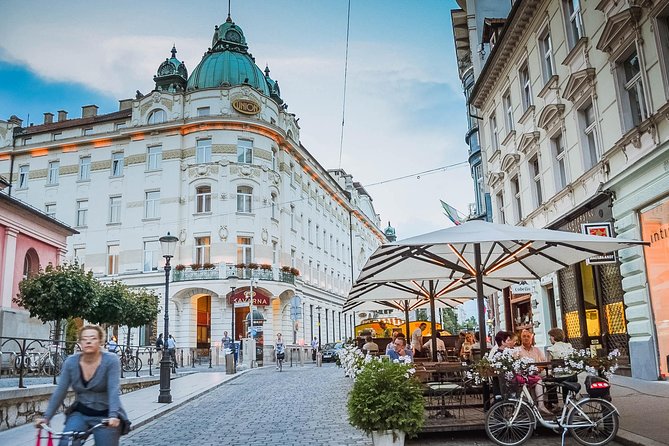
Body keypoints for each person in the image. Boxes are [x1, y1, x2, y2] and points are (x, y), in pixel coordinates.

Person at [36, 325, 124, 446]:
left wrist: (113, 416)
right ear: (80, 342)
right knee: (65, 442)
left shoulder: (111, 360)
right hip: (81, 413)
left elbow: (113, 389)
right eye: (84, 338)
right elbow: (60, 391)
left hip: (106, 415)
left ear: (100, 342)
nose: (88, 341)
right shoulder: (71, 362)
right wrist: (46, 417)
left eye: (93, 338)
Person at [515, 329, 550, 415]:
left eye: (528, 336)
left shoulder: (537, 350)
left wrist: (539, 369)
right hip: (525, 374)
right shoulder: (517, 350)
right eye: (524, 336)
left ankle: (550, 403)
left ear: (531, 338)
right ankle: (537, 405)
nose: (526, 338)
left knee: (550, 379)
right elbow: (516, 365)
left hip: (537, 372)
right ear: (521, 338)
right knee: (538, 381)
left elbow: (544, 362)